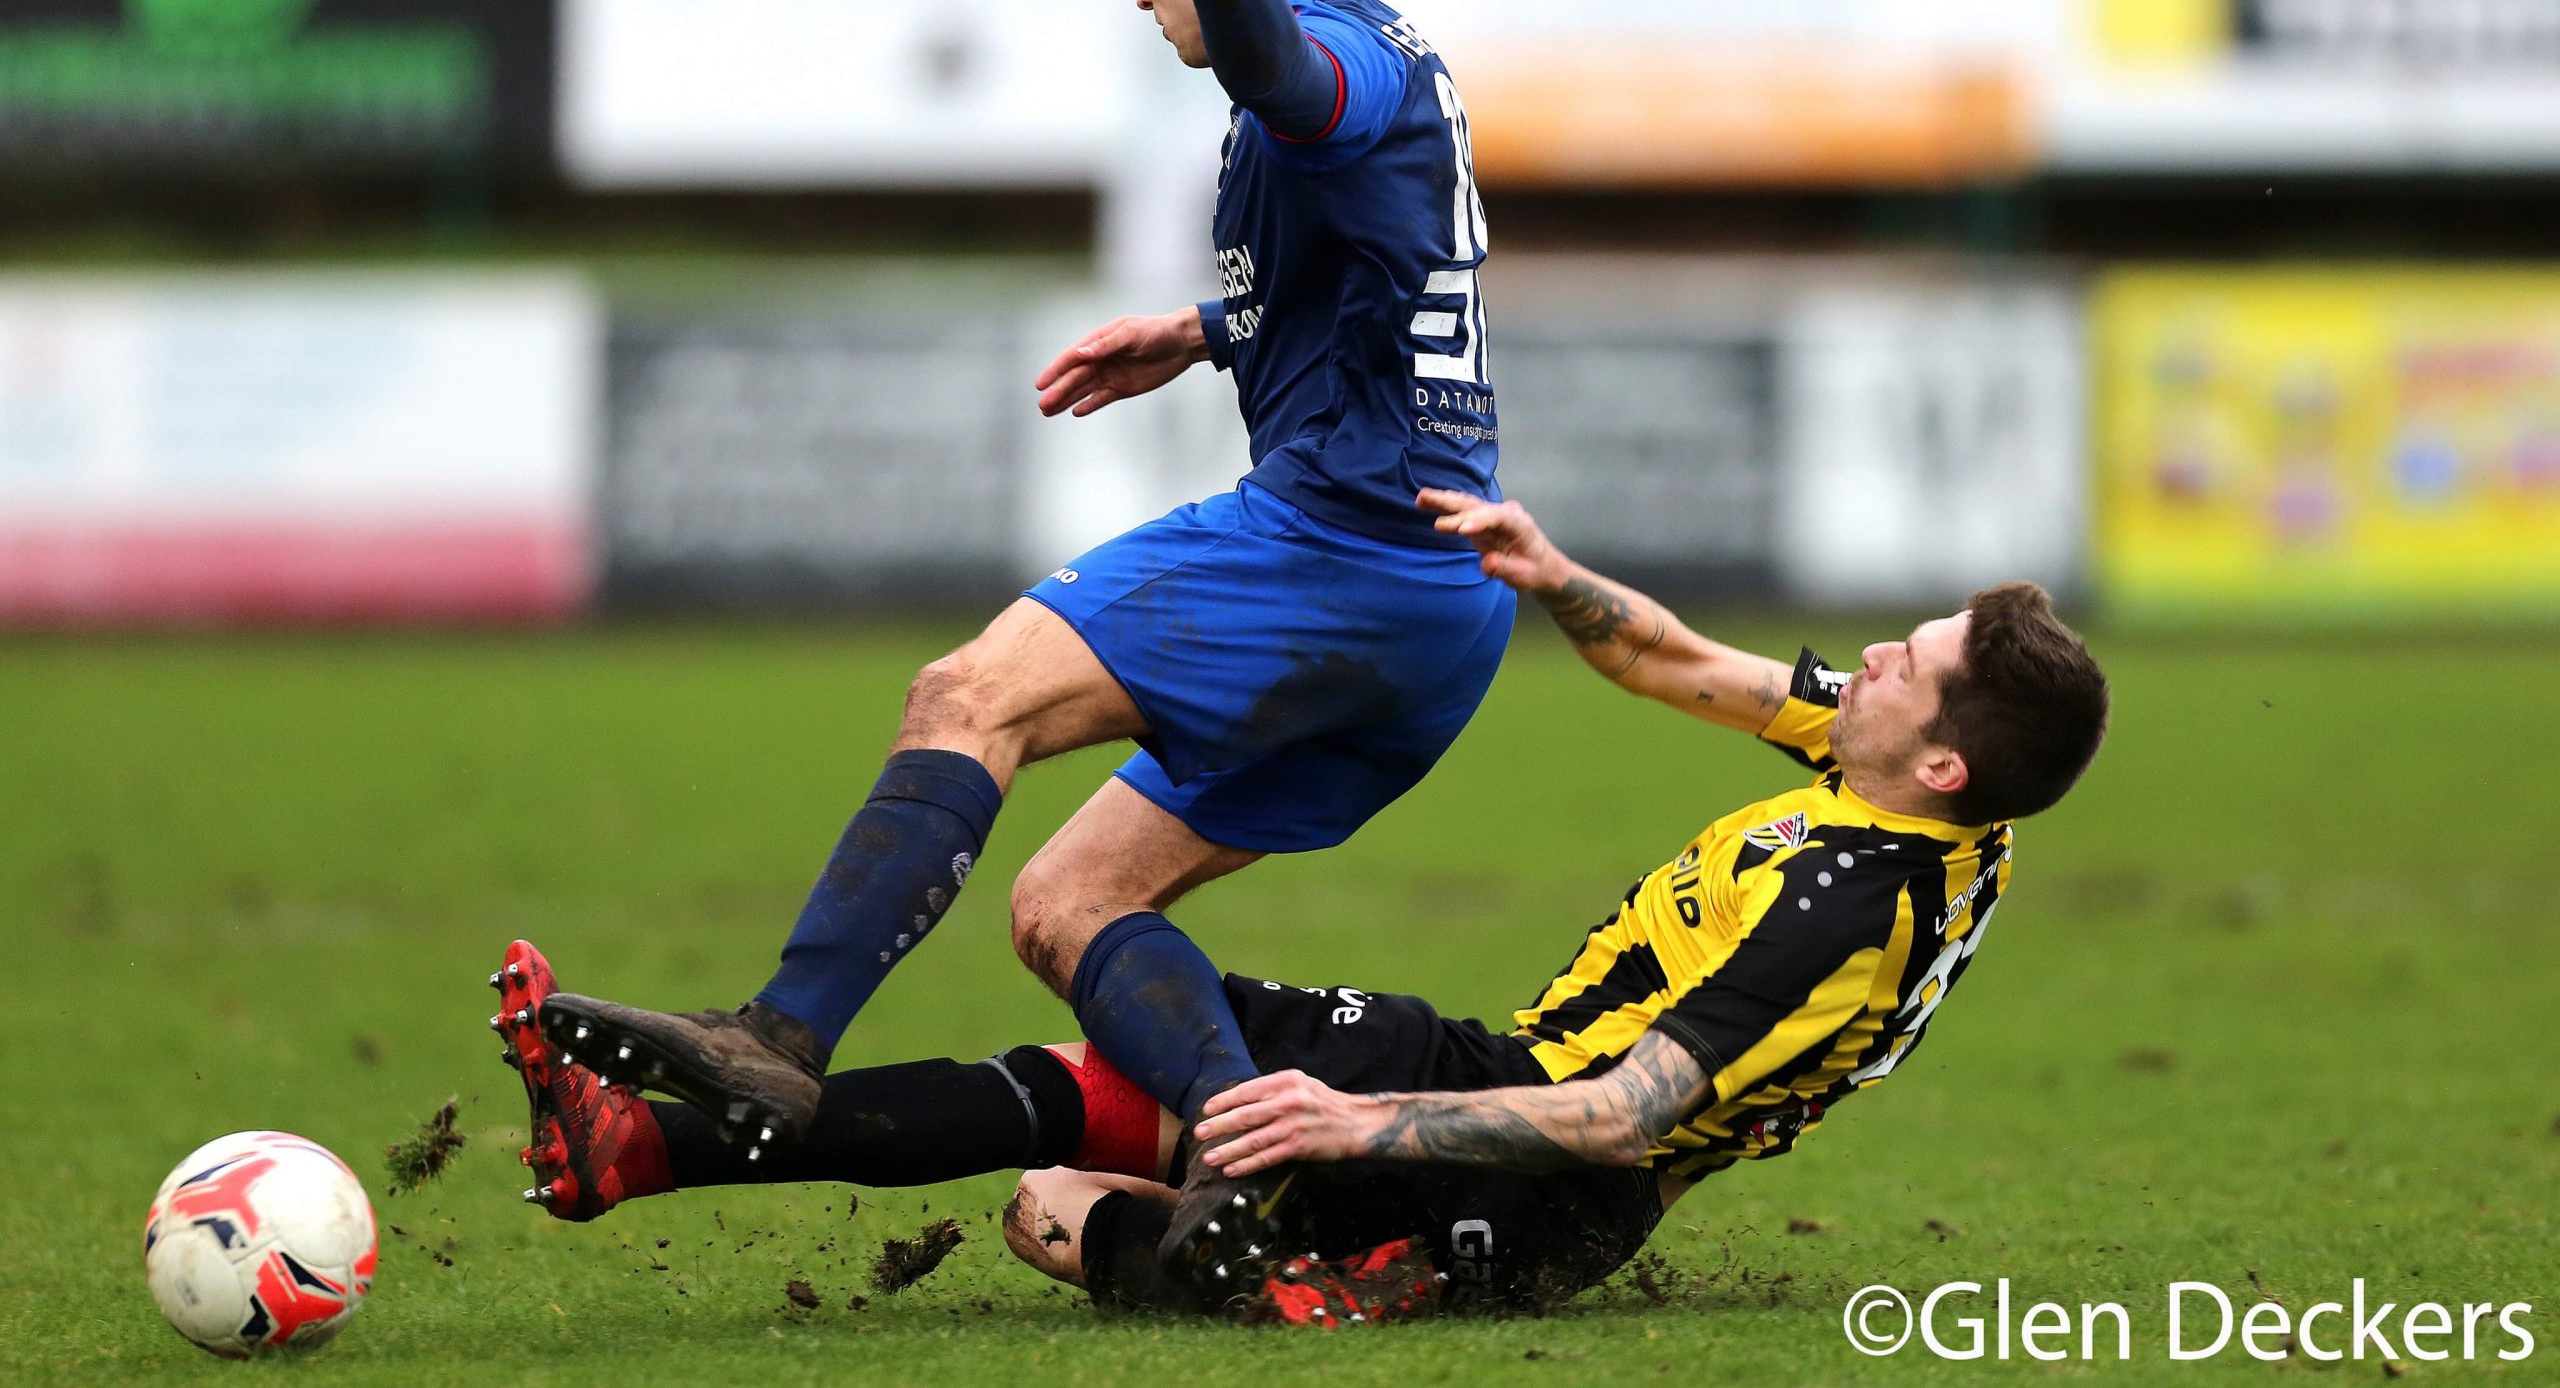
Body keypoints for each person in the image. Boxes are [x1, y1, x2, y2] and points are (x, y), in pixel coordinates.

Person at [533, 0, 1513, 1282]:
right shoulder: (1404, 51)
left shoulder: (1326, 56)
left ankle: (782, 1033)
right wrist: (1206, 329)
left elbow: (1291, 86)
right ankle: (1264, 1157)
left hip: (1334, 556)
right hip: (1437, 612)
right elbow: (1384, 269)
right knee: (1068, 902)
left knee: (966, 693)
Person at [498, 493, 2109, 1320]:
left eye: (1922, 656)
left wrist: (1353, 1126)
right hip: (1505, 1069)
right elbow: (1678, 660)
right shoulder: (1904, 780)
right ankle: (641, 1147)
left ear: (1949, 765)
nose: (1881, 648)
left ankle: (1265, 1241)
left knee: (1065, 1164)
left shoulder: (1844, 904)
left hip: (1542, 1175)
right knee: (1092, 1079)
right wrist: (1552, 577)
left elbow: (1623, 1118)